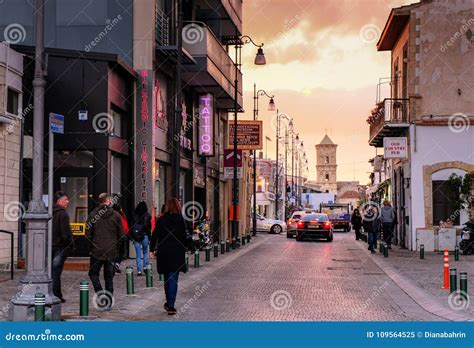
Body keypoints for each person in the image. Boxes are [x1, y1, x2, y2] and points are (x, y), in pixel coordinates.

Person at [150, 198, 187, 315]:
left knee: (167, 278)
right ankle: (171, 305)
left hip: (164, 252)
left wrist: (151, 249)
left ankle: (169, 303)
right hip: (177, 252)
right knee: (173, 279)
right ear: (178, 206)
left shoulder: (161, 220)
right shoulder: (181, 220)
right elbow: (186, 236)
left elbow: (154, 235)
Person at [86, 193, 123, 298]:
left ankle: (100, 293)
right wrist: (116, 246)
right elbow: (122, 235)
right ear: (108, 201)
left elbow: (87, 234)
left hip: (96, 250)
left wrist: (91, 246)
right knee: (109, 276)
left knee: (93, 273)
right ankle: (108, 299)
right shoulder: (116, 215)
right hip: (111, 250)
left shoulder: (93, 215)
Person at [52, 191, 74, 302]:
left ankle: (55, 293)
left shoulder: (48, 212)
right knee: (56, 272)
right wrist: (70, 245)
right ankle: (55, 295)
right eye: (66, 199)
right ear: (59, 201)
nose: (68, 201)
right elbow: (65, 233)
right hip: (59, 247)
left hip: (49, 247)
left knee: (50, 271)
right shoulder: (63, 214)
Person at [131, 201, 151, 276]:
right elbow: (149, 227)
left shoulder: (134, 216)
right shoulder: (147, 216)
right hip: (145, 236)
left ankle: (139, 270)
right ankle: (145, 267)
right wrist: (149, 237)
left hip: (136, 237)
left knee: (138, 254)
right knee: (145, 252)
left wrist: (132, 236)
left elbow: (131, 227)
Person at [112, 201, 129, 274]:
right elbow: (126, 227)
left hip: (114, 236)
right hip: (122, 236)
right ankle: (116, 264)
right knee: (121, 252)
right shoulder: (122, 216)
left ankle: (114, 265)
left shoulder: (111, 216)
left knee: (115, 251)